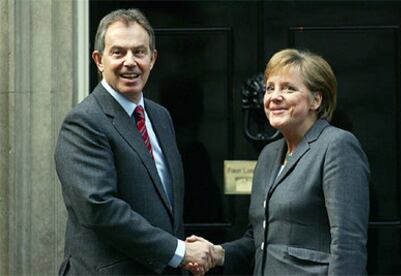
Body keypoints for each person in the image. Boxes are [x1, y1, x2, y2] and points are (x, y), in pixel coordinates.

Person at [55, 8, 213, 275]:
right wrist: (178, 252)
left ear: (152, 59)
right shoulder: (84, 122)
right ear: (99, 60)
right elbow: (99, 208)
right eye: (118, 52)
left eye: (139, 52)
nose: (130, 62)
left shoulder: (160, 117)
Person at [188, 48, 370, 275]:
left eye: (289, 88)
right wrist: (218, 253)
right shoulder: (269, 155)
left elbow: (348, 242)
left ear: (316, 99)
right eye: (269, 88)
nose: (274, 97)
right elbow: (259, 240)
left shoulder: (337, 145)